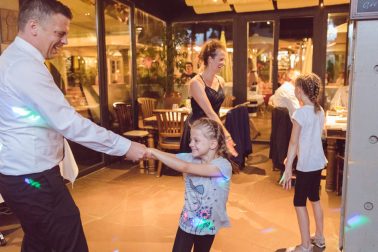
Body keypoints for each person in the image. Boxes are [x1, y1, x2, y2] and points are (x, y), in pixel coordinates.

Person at [0, 1, 146, 251]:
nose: (65, 41)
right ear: (34, 27)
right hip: (33, 178)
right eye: (59, 33)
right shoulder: (24, 66)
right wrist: (124, 146)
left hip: (20, 176)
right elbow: (69, 122)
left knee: (39, 240)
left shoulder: (14, 59)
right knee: (69, 239)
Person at [147, 118, 232, 252]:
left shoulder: (223, 166)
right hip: (188, 219)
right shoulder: (192, 157)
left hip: (207, 223)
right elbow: (173, 157)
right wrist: (149, 152)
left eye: (196, 140)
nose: (191, 144)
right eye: (191, 140)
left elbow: (185, 167)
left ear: (213, 144)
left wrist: (153, 151)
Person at [280, 73, 327, 252]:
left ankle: (306, 245)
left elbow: (293, 141)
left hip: (306, 165)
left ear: (299, 91)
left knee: (299, 202)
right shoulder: (319, 110)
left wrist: (288, 166)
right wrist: (292, 156)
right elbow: (309, 139)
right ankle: (320, 238)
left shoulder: (300, 113)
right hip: (317, 162)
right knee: (314, 198)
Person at [180, 39, 237, 157]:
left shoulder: (221, 81)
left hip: (212, 129)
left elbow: (215, 111)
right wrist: (226, 135)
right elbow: (210, 113)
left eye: (224, 59)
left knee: (212, 169)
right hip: (197, 130)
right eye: (221, 59)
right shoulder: (196, 83)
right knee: (197, 170)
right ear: (210, 59)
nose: (224, 63)